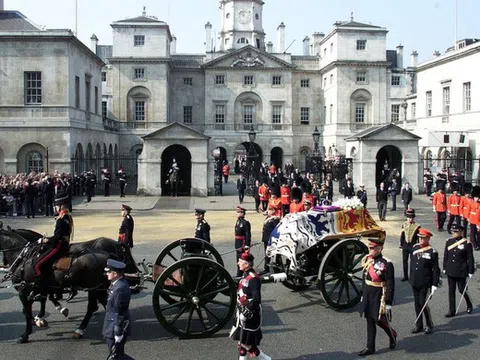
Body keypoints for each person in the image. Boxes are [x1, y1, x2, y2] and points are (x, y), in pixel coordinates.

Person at [358, 237, 397, 356]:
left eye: (372, 248)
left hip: (379, 293)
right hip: (368, 291)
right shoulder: (367, 259)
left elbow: (390, 283)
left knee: (379, 320)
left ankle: (392, 334)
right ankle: (370, 347)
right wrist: (362, 293)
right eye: (369, 247)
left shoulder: (386, 263)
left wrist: (389, 302)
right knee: (369, 319)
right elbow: (365, 278)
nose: (370, 250)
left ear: (379, 248)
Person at [230, 251, 271, 360]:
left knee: (243, 346)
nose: (238, 263)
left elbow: (256, 299)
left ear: (247, 264)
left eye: (240, 262)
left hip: (249, 316)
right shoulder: (245, 275)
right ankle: (267, 359)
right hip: (242, 314)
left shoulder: (253, 279)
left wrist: (247, 309)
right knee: (246, 345)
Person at [33, 193, 73, 296]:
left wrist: (45, 240)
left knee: (37, 265)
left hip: (59, 246)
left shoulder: (61, 219)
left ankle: (43, 288)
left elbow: (57, 237)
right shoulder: (67, 216)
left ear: (61, 206)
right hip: (64, 243)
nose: (55, 207)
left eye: (56, 205)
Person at [409, 228, 440, 334]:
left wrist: (435, 284)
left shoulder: (432, 251)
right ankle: (419, 325)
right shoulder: (415, 248)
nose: (421, 240)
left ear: (428, 239)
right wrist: (411, 277)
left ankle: (429, 324)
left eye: (424, 238)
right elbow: (412, 265)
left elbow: (435, 269)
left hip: (425, 282)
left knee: (423, 303)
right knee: (416, 303)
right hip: (415, 280)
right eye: (420, 238)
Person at [443, 224, 475, 317]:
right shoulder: (449, 241)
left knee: (462, 289)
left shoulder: (467, 243)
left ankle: (469, 303)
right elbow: (446, 256)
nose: (454, 233)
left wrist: (471, 271)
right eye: (453, 231)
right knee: (451, 290)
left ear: (461, 232)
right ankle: (451, 310)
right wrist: (445, 267)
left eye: (456, 231)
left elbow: (470, 258)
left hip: (461, 270)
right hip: (451, 269)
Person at [103, 259, 131, 360]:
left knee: (116, 356)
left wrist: (118, 333)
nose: (106, 274)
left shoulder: (120, 289)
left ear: (115, 274)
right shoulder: (116, 284)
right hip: (111, 326)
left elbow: (120, 312)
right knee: (117, 355)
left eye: (108, 272)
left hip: (114, 328)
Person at [399, 208, 420, 282]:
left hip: (413, 245)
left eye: (411, 217)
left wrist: (418, 246)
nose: (409, 219)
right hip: (405, 245)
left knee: (412, 261)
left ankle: (412, 275)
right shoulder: (404, 224)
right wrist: (401, 244)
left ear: (413, 217)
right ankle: (405, 276)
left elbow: (418, 237)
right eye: (408, 217)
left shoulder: (417, 226)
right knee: (404, 261)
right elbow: (402, 235)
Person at [261, 207, 280, 274]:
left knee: (275, 254)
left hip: (271, 240)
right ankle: (266, 268)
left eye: (270, 210)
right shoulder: (268, 218)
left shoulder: (275, 219)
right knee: (267, 254)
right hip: (266, 239)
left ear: (273, 211)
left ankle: (277, 268)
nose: (268, 211)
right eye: (268, 210)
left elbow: (276, 230)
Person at [235, 206, 251, 277]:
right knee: (238, 259)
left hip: (242, 243)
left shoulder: (245, 223)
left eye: (239, 212)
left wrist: (247, 244)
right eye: (237, 212)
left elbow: (248, 234)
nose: (237, 213)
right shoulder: (238, 221)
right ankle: (239, 272)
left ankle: (240, 273)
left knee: (242, 259)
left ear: (242, 213)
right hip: (238, 243)